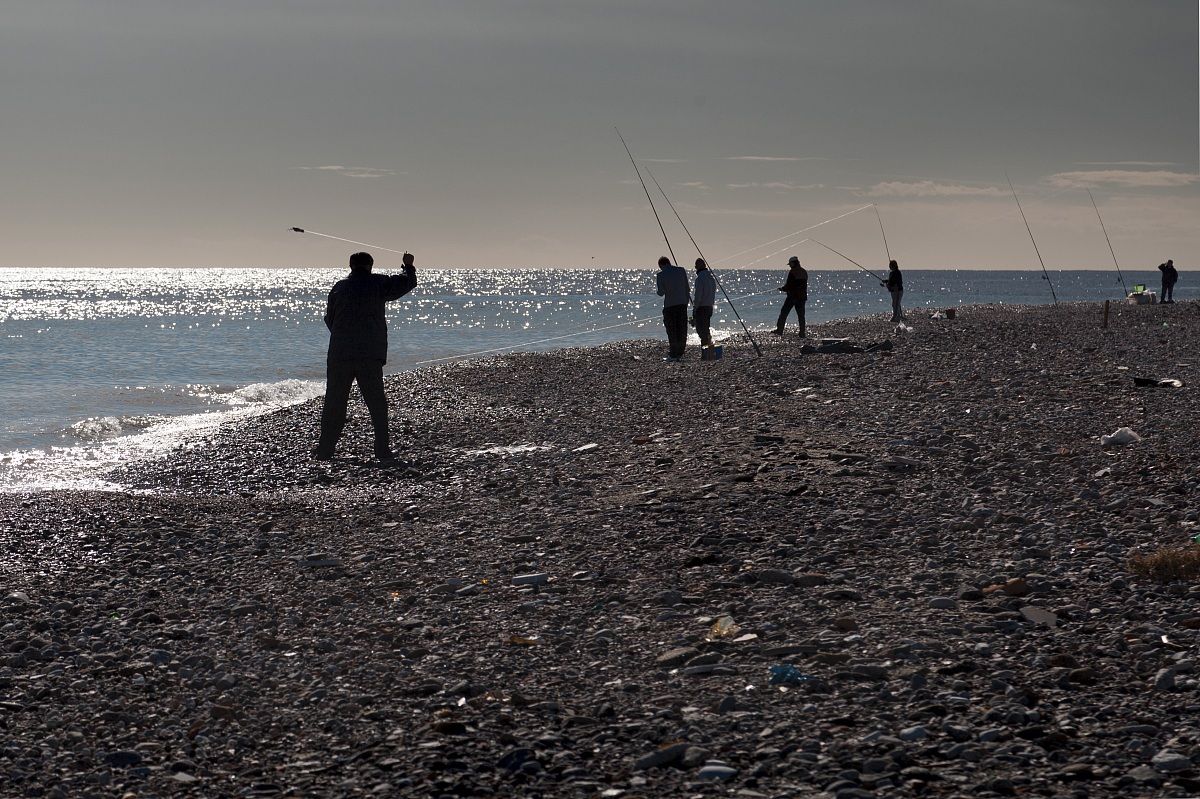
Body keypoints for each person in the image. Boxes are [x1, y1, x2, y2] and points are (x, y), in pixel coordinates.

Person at [315, 251, 417, 462]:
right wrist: (408, 266)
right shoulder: (378, 283)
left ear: (351, 265)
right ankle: (382, 450)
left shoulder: (339, 287)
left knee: (334, 402)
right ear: (370, 265)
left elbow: (329, 319)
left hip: (339, 353)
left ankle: (325, 450)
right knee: (376, 404)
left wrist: (343, 335)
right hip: (369, 354)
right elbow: (407, 284)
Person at [656, 256, 690, 361]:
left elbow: (661, 293)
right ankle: (680, 352)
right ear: (669, 262)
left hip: (670, 306)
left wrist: (658, 290)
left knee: (672, 330)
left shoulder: (660, 275)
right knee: (682, 329)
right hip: (682, 304)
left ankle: (673, 353)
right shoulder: (681, 270)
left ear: (661, 265)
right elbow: (687, 288)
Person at [773, 256, 807, 337]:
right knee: (801, 316)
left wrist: (782, 289)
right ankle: (802, 333)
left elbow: (789, 285)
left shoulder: (792, 272)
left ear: (793, 263)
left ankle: (779, 330)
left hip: (792, 297)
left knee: (784, 313)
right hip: (802, 297)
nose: (790, 265)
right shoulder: (804, 271)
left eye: (790, 264)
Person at [692, 258, 716, 350]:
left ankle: (706, 349)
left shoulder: (699, 279)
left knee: (701, 330)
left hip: (701, 308)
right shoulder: (711, 278)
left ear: (698, 267)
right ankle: (708, 346)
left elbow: (698, 296)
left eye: (696, 265)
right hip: (709, 307)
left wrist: (695, 308)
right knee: (706, 328)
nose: (695, 267)